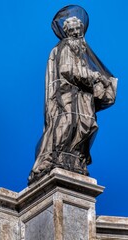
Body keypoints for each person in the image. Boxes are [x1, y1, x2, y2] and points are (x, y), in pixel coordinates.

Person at [28, 10, 117, 184]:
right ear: (67, 32)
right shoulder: (66, 47)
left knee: (87, 124)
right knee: (66, 123)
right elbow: (68, 71)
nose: (77, 33)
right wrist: (96, 77)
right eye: (73, 30)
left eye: (79, 30)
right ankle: (53, 159)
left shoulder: (79, 53)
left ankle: (73, 158)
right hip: (66, 96)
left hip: (82, 98)